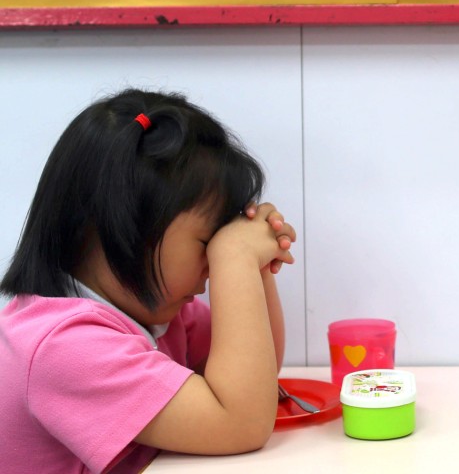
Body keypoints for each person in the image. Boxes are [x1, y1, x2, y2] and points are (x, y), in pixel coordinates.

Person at [0, 88, 297, 473]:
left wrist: (253, 263)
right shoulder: (63, 348)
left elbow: (258, 376)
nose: (213, 263)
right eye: (208, 242)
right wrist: (236, 258)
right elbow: (240, 423)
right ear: (120, 227)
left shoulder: (158, 315)